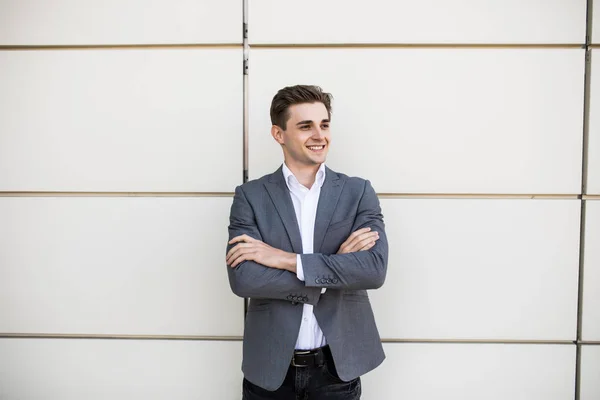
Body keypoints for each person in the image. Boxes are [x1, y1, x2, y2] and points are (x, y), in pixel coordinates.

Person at [226, 85, 388, 399]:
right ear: (279, 133)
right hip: (270, 368)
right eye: (305, 126)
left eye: (324, 125)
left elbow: (373, 270)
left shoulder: (358, 192)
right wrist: (336, 268)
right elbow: (244, 279)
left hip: (337, 367)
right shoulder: (250, 196)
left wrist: (286, 259)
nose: (319, 135)